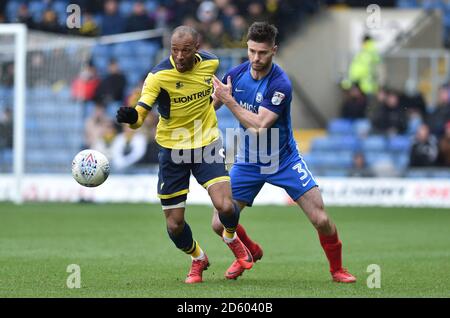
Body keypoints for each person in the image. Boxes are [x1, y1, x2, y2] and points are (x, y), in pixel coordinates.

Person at [212, 22, 356, 283]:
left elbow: (259, 125)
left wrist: (229, 100)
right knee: (219, 223)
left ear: (274, 50)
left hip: (284, 160)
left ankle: (337, 270)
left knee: (320, 219)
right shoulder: (235, 74)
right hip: (248, 161)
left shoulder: (280, 84)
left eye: (262, 53)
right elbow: (211, 105)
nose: (256, 58)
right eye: (252, 51)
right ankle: (249, 251)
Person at [116, 26, 253, 283]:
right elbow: (141, 113)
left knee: (225, 205)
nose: (179, 56)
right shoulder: (158, 76)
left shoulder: (211, 64)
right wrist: (131, 118)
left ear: (196, 49)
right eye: (174, 50)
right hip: (172, 150)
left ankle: (231, 237)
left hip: (206, 143)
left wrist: (215, 105)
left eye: (185, 51)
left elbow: (210, 98)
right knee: (174, 225)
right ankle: (198, 257)